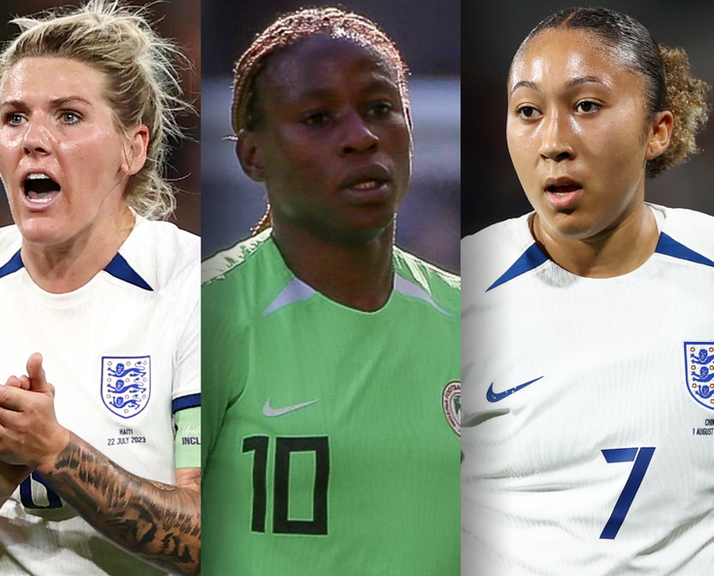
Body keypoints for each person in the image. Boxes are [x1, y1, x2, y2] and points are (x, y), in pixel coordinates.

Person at [0, 2, 200, 575]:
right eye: (14, 117)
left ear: (133, 148)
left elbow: (211, 539)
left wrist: (52, 451)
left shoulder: (199, 287)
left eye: (69, 116)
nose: (34, 139)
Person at [201, 7, 460, 575]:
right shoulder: (207, 314)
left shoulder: (470, 321)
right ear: (253, 155)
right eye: (318, 118)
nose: (361, 137)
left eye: (380, 109)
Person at [461, 7, 713, 575]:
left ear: (657, 131)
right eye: (528, 111)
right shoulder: (457, 290)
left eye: (586, 106)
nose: (552, 141)